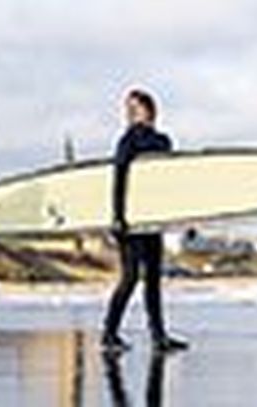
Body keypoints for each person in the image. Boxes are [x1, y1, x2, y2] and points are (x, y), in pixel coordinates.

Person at [102, 89, 189, 354]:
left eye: (134, 108)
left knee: (152, 279)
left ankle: (158, 336)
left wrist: (187, 218)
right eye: (127, 109)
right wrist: (117, 217)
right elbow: (119, 178)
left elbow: (168, 185)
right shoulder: (128, 140)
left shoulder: (163, 142)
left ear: (150, 110)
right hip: (130, 220)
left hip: (152, 220)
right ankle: (109, 333)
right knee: (129, 278)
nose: (128, 113)